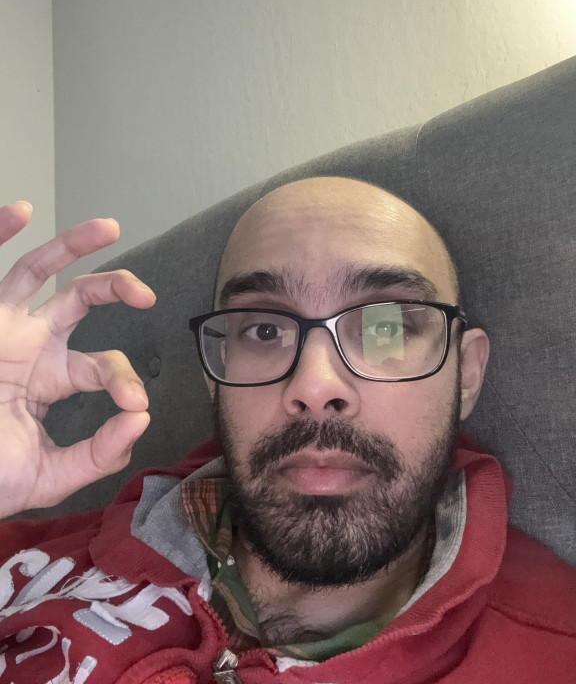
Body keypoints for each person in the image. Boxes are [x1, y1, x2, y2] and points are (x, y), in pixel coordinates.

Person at [0, 178, 575, 684]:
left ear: (466, 374)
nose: (315, 385)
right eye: (264, 330)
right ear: (214, 375)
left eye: (386, 327)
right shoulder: (36, 552)